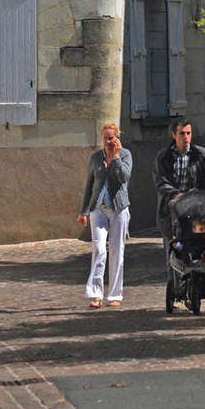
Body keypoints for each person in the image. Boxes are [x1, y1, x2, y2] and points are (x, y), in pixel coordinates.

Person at [77, 121, 132, 308]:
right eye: (106, 139)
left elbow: (124, 177)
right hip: (98, 208)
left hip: (118, 209)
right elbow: (89, 185)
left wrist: (115, 158)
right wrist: (84, 211)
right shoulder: (95, 158)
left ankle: (115, 295)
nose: (109, 142)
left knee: (117, 251)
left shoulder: (125, 155)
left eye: (112, 138)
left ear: (118, 138)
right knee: (99, 249)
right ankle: (95, 293)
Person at [152, 115, 205, 255]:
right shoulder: (163, 157)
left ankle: (204, 261)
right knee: (175, 247)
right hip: (173, 209)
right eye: (182, 133)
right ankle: (174, 274)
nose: (186, 137)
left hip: (196, 207)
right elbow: (160, 181)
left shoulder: (200, 154)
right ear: (174, 135)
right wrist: (175, 194)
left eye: (188, 133)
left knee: (202, 241)